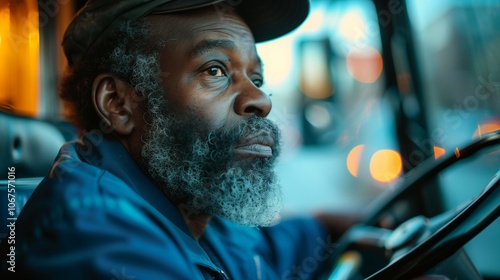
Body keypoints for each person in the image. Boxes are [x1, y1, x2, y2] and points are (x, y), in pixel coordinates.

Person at [0, 0, 359, 279]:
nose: (261, 101)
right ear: (118, 104)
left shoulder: (191, 208)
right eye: (215, 70)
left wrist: (329, 225)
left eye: (257, 78)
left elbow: (268, 250)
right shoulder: (98, 237)